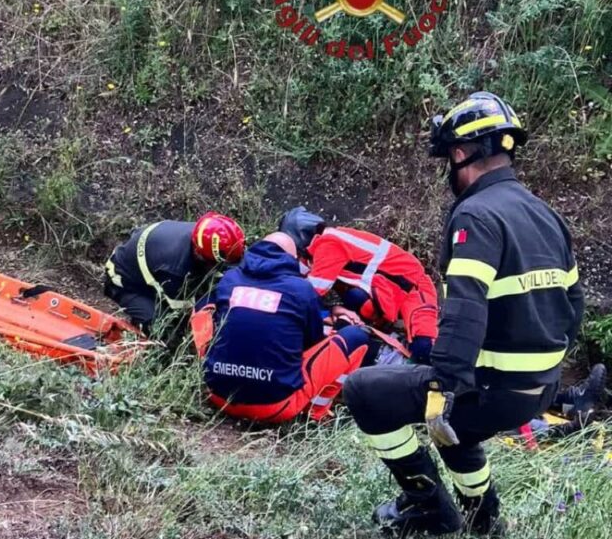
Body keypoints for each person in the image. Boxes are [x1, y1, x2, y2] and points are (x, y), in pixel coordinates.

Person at [342, 91, 584, 536]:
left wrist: (443, 383)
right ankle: (484, 517)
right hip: (540, 387)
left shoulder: (475, 214)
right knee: (455, 417)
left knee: (364, 390)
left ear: (459, 153)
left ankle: (428, 508)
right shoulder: (544, 213)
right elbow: (573, 307)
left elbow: (464, 309)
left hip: (498, 389)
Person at [198, 232, 371, 423]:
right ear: (293, 259)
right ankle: (316, 412)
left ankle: (203, 364)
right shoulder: (301, 289)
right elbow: (312, 344)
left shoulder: (229, 280)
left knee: (204, 305)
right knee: (357, 337)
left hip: (218, 396)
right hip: (276, 406)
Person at [279, 206, 439, 363]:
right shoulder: (326, 243)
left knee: (424, 348)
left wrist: (277, 304)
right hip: (390, 292)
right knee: (354, 297)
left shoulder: (328, 244)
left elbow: (310, 292)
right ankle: (386, 337)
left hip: (414, 288)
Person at [103, 212, 245, 335]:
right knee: (163, 326)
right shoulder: (175, 270)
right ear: (202, 256)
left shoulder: (205, 234)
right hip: (126, 283)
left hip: (150, 255)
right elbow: (185, 315)